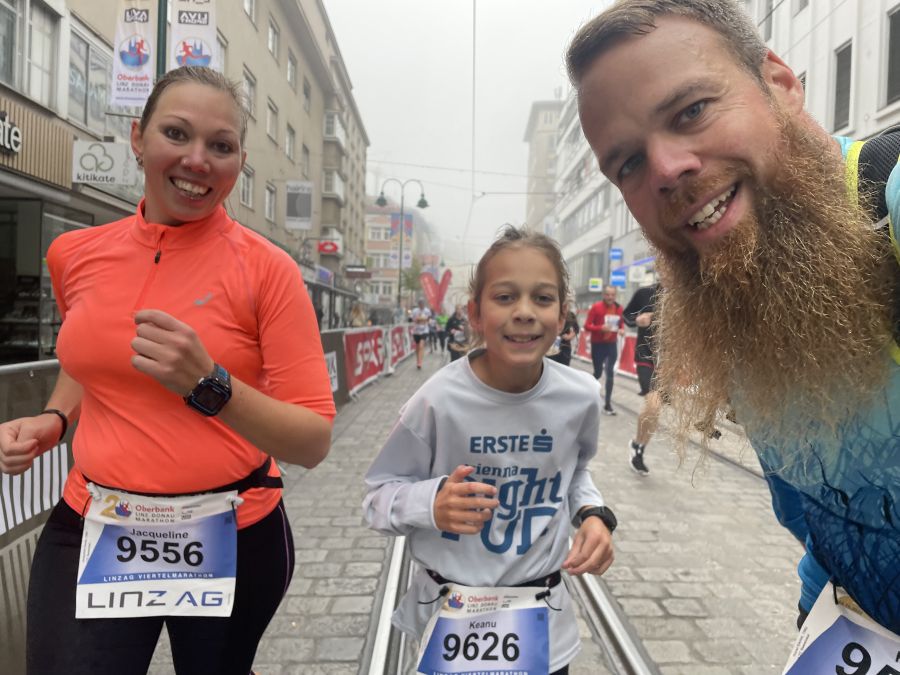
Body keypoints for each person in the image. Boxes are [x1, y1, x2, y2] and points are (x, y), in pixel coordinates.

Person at [568, 0, 900, 637]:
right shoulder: (731, 275)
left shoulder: (884, 197)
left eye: (691, 111)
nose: (667, 170)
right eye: (628, 164)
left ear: (779, 83)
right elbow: (832, 516)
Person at [0, 66, 336, 674]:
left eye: (221, 146)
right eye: (176, 134)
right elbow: (90, 358)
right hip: (98, 521)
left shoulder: (269, 270)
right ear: (137, 138)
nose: (197, 160)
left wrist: (210, 386)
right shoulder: (74, 254)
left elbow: (312, 440)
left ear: (238, 162)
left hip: (230, 531)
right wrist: (55, 417)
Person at [362, 226, 616, 675]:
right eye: (504, 297)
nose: (524, 313)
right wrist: (431, 504)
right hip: (453, 621)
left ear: (562, 317)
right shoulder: (436, 401)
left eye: (542, 298)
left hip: (543, 626)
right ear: (475, 314)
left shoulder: (581, 395)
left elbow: (575, 471)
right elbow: (377, 497)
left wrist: (594, 514)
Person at [621, 282, 661, 476]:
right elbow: (626, 315)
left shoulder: (684, 296)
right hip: (646, 357)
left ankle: (639, 447)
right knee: (652, 403)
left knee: (655, 411)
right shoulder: (645, 293)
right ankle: (637, 445)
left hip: (669, 362)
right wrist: (638, 319)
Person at [584, 286, 624, 415]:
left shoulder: (619, 308)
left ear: (615, 295)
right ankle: (588, 396)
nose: (610, 297)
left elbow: (621, 324)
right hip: (598, 345)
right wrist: (600, 328)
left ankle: (607, 404)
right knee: (598, 373)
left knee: (610, 374)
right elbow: (587, 326)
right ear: (603, 295)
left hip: (611, 344)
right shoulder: (596, 307)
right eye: (607, 294)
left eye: (612, 295)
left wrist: (622, 330)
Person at [410, 298, 431, 370]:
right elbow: (413, 319)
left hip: (424, 330)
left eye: (422, 304)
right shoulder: (415, 311)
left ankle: (420, 362)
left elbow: (428, 319)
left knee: (421, 346)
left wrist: (423, 319)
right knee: (418, 347)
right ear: (418, 304)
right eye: (420, 304)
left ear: (424, 304)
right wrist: (419, 319)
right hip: (416, 331)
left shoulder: (427, 311)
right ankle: (418, 360)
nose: (421, 305)